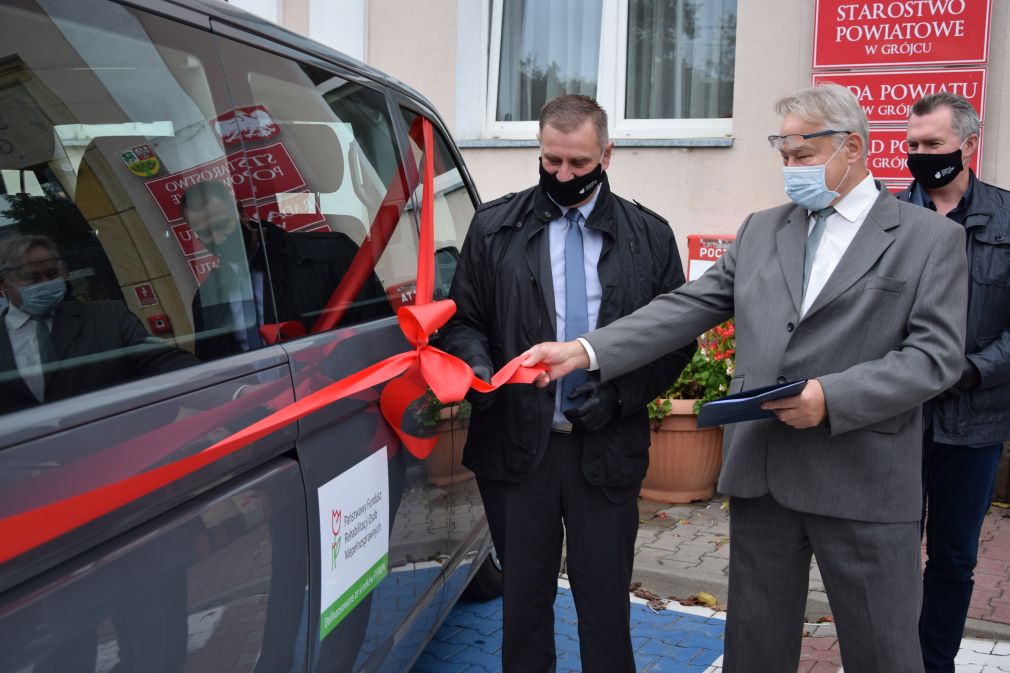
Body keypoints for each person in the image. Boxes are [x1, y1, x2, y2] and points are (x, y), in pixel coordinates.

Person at [523, 84, 968, 673]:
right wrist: (584, 350)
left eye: (802, 155)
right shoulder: (762, 230)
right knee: (754, 655)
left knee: (884, 653)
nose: (790, 170)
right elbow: (684, 307)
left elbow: (934, 358)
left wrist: (831, 397)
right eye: (782, 156)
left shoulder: (929, 238)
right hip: (764, 478)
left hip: (862, 479)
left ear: (853, 148)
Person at [441, 94, 693, 673]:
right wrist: (479, 366)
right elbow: (464, 319)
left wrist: (620, 395)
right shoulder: (493, 226)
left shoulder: (649, 236)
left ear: (607, 152)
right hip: (514, 446)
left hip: (605, 449)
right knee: (522, 605)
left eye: (578, 164)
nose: (562, 175)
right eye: (551, 160)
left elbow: (676, 338)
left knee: (604, 605)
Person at [897, 92, 1010, 673]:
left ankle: (932, 663)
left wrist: (970, 370)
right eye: (912, 145)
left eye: (932, 145)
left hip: (976, 420)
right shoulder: (887, 219)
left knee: (952, 560)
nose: (919, 155)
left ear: (969, 146)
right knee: (888, 553)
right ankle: (890, 658)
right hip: (899, 419)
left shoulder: (1007, 218)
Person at [178, 180, 392, 360]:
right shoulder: (206, 298)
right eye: (205, 233)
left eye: (222, 225)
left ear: (240, 212)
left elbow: (380, 330)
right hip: (263, 406)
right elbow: (213, 367)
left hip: (344, 391)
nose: (218, 238)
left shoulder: (329, 253)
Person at [0, 234, 197, 413]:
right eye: (32, 277)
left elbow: (167, 364)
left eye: (52, 275)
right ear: (3, 283)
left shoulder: (109, 317)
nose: (45, 283)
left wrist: (220, 389)